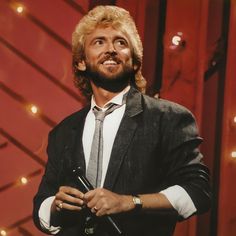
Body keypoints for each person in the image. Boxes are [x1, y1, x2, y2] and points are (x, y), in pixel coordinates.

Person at [33, 5, 211, 236]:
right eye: (99, 42)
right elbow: (41, 207)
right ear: (81, 62)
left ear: (135, 62)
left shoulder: (168, 118)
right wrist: (56, 207)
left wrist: (129, 202)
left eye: (121, 42)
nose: (110, 49)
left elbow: (198, 192)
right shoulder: (63, 131)